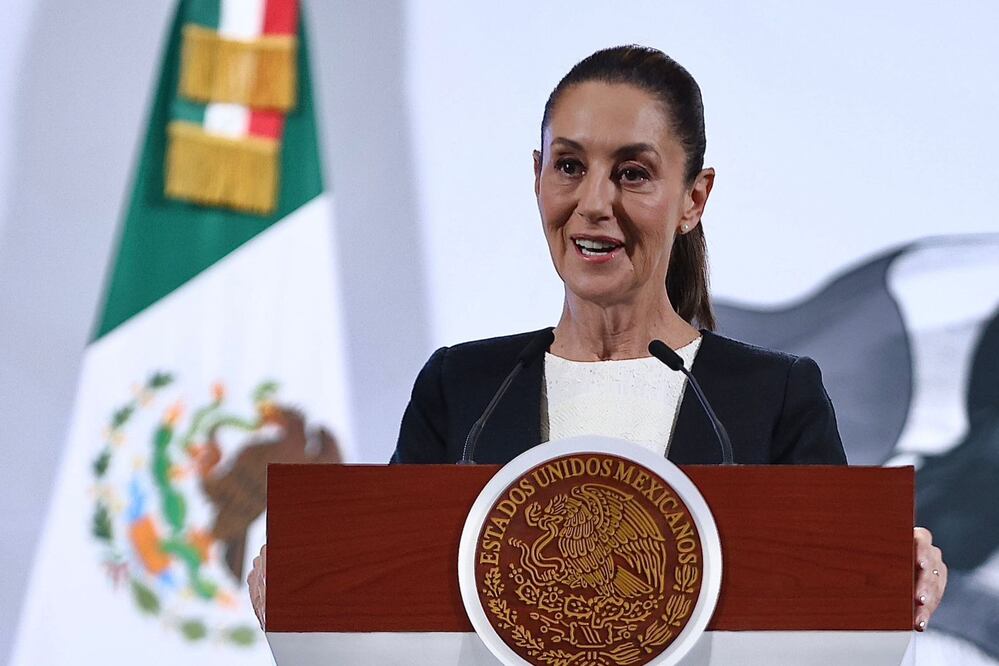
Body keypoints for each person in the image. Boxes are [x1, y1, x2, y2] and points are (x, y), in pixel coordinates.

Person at [249, 44, 946, 633]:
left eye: (633, 173)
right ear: (536, 174)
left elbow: (831, 598)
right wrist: (302, 582)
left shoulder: (772, 396)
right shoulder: (461, 388)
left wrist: (894, 574)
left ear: (693, 199)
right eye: (569, 165)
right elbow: (389, 590)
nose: (594, 203)